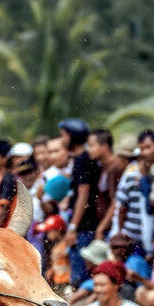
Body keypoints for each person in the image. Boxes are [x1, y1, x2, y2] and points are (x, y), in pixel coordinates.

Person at [60, 118, 99, 287]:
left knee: (80, 277)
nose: (62, 140)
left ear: (72, 137)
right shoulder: (78, 159)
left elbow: (83, 194)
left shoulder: (82, 159)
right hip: (81, 226)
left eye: (64, 135)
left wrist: (73, 228)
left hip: (83, 227)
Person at [112, 135, 153, 255]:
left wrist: (119, 231)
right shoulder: (142, 172)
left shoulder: (130, 175)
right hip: (144, 233)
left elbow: (122, 207)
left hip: (131, 233)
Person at [86, 128, 126, 240]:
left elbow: (115, 201)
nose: (88, 150)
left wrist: (101, 228)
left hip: (111, 229)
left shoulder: (114, 168)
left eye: (92, 145)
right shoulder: (104, 167)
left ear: (104, 147)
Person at [39, 214, 70, 290]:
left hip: (68, 281)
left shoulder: (67, 244)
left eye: (49, 231)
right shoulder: (56, 246)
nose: (47, 234)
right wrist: (51, 269)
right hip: (58, 281)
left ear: (58, 230)